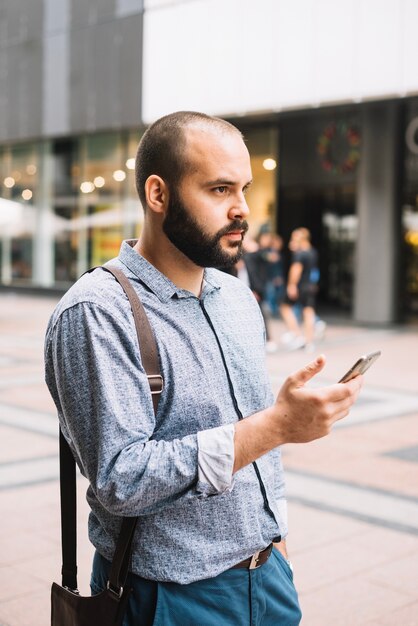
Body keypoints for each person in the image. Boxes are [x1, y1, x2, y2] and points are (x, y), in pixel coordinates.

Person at [45, 111, 362, 626]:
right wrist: (275, 427)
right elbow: (120, 480)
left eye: (245, 189)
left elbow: (259, 448)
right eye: (219, 190)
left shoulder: (236, 296)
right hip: (166, 598)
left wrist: (275, 538)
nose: (241, 210)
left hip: (268, 579)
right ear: (158, 193)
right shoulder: (97, 312)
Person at [280, 227, 320, 352]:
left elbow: (296, 270)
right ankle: (309, 342)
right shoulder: (312, 252)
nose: (293, 239)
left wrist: (292, 285)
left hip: (300, 286)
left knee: (285, 307)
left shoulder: (300, 254)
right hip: (309, 286)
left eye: (295, 237)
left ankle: (296, 335)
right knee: (308, 312)